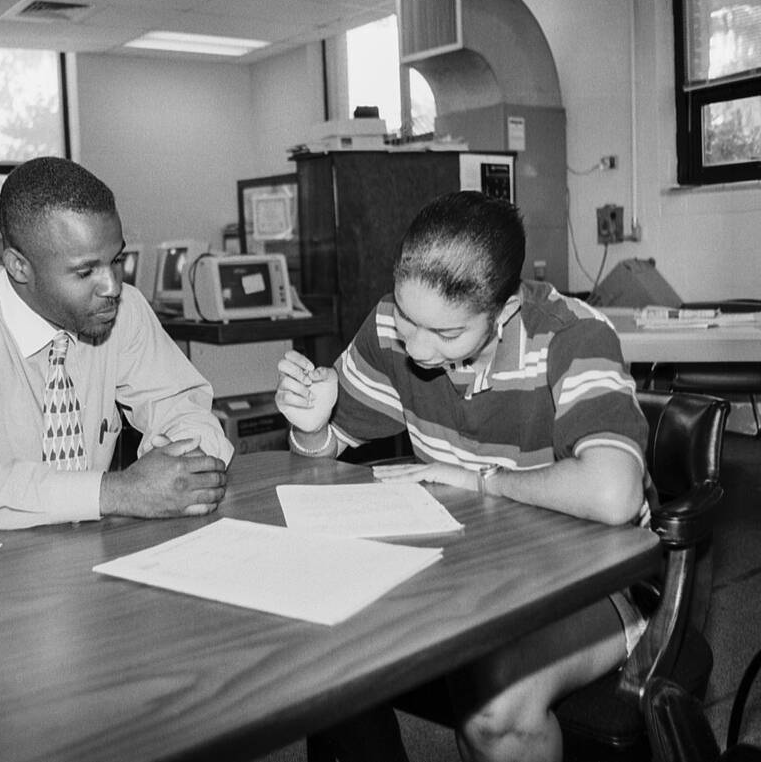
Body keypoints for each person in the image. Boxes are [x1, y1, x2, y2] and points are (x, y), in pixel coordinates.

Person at [275, 190, 649, 762]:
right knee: (323, 646)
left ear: (503, 312)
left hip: (596, 581)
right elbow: (319, 468)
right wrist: (309, 428)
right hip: (463, 572)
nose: (418, 348)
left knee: (496, 711)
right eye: (407, 315)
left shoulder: (572, 336)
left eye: (447, 335)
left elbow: (613, 492)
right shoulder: (393, 331)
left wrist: (478, 480)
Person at [0, 156, 233, 530]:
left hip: (86, 553)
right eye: (85, 271)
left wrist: (183, 465)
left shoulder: (123, 310)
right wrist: (116, 492)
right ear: (19, 266)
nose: (112, 286)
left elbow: (184, 408)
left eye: (116, 261)